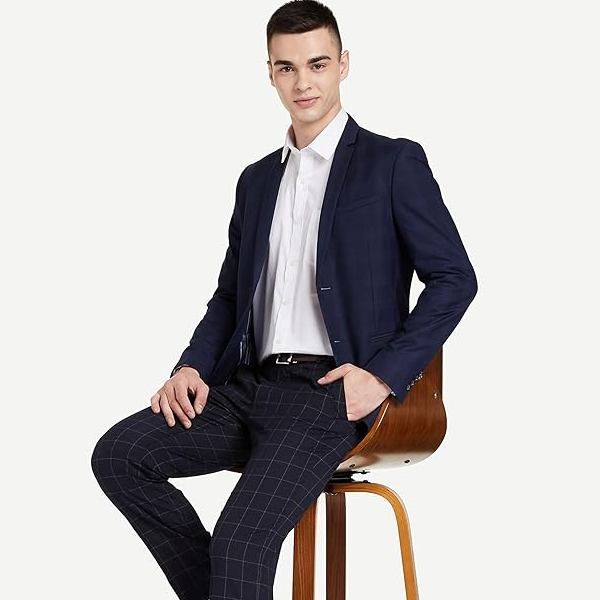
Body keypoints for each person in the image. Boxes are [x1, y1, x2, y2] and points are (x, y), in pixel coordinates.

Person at [91, 1, 478, 598]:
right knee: (120, 456)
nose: (303, 82)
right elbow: (229, 295)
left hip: (328, 396)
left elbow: (455, 278)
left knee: (240, 543)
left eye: (317, 64)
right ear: (269, 73)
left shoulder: (392, 162)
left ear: (343, 65)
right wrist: (190, 367)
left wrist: (382, 376)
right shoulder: (256, 180)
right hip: (247, 388)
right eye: (286, 67)